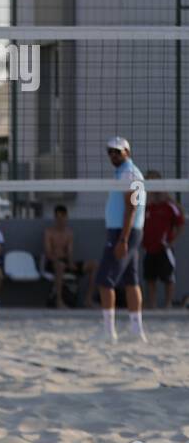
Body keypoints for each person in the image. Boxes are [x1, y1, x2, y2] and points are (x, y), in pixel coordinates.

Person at [96, 137, 146, 342]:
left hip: (123, 232)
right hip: (126, 231)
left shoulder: (130, 172)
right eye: (110, 151)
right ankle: (136, 331)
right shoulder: (123, 172)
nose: (113, 155)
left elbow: (132, 207)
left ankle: (109, 332)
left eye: (117, 151)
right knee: (131, 281)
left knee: (104, 281)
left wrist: (123, 239)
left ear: (127, 151)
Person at [141, 169, 184, 310]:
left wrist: (172, 242)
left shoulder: (169, 204)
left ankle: (168, 305)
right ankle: (151, 305)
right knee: (150, 279)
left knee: (168, 278)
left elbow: (181, 221)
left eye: (153, 180)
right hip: (149, 247)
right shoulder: (146, 204)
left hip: (164, 248)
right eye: (148, 181)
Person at [42, 204, 98, 309]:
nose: (61, 220)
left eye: (63, 217)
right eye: (58, 218)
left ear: (66, 217)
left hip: (66, 261)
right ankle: (59, 301)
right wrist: (57, 261)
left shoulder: (69, 233)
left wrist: (71, 262)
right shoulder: (49, 232)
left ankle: (89, 299)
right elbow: (48, 252)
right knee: (60, 266)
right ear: (55, 218)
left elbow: (69, 252)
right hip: (53, 262)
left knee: (94, 265)